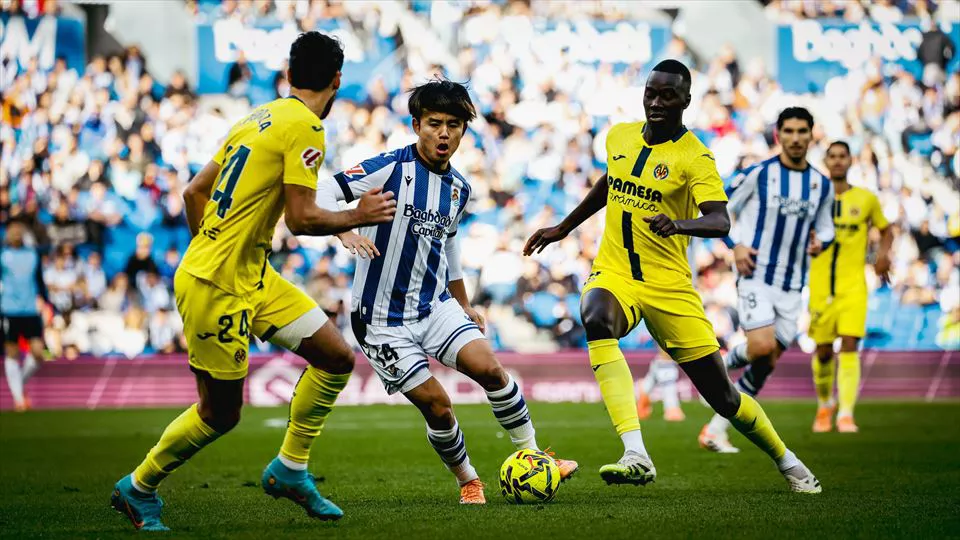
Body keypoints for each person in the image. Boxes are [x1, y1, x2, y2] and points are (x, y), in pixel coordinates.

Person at [109, 32, 397, 531]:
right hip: (215, 284)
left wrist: (222, 244)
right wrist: (357, 213)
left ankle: (289, 469)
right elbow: (302, 220)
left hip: (252, 274)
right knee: (220, 414)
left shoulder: (256, 117)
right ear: (336, 82)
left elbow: (194, 191)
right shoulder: (306, 125)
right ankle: (138, 486)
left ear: (288, 75)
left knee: (335, 358)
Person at [524, 60, 821, 493]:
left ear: (686, 101)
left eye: (667, 96)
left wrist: (679, 224)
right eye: (651, 93)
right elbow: (611, 183)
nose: (657, 102)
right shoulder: (619, 136)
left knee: (723, 397)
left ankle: (788, 461)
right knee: (595, 314)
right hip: (616, 273)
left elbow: (719, 221)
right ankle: (635, 452)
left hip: (670, 288)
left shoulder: (694, 156)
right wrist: (563, 228)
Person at [317, 79, 578, 505]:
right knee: (438, 406)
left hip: (433, 304)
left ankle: (533, 455)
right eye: (434, 123)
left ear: (462, 130)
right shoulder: (388, 168)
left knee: (491, 370)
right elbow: (324, 189)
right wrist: (345, 230)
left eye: (453, 125)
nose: (443, 133)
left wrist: (463, 304)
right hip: (381, 320)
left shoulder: (458, 187)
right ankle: (469, 480)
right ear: (416, 124)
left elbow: (449, 246)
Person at [699, 107, 835, 454]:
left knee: (767, 363)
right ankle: (717, 369)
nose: (795, 137)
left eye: (802, 131)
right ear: (778, 135)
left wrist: (823, 241)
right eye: (788, 130)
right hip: (756, 275)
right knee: (759, 347)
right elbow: (720, 210)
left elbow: (826, 228)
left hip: (793, 285)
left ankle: (715, 430)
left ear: (810, 135)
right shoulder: (759, 174)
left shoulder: (822, 184)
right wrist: (736, 245)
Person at [809, 141, 893, 433]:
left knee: (849, 345)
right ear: (826, 160)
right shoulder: (815, 198)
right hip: (819, 285)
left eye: (842, 156)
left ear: (850, 160)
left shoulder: (866, 199)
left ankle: (845, 413)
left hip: (853, 285)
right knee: (822, 351)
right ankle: (824, 405)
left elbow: (886, 229)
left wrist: (883, 255)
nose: (837, 161)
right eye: (832, 156)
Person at [1, 222, 47, 412]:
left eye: (20, 231)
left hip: (30, 309)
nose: (16, 234)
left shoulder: (32, 255)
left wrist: (46, 300)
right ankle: (19, 399)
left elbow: (39, 280)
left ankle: (18, 385)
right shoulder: (3, 255)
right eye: (13, 231)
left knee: (38, 353)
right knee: (12, 352)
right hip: (9, 309)